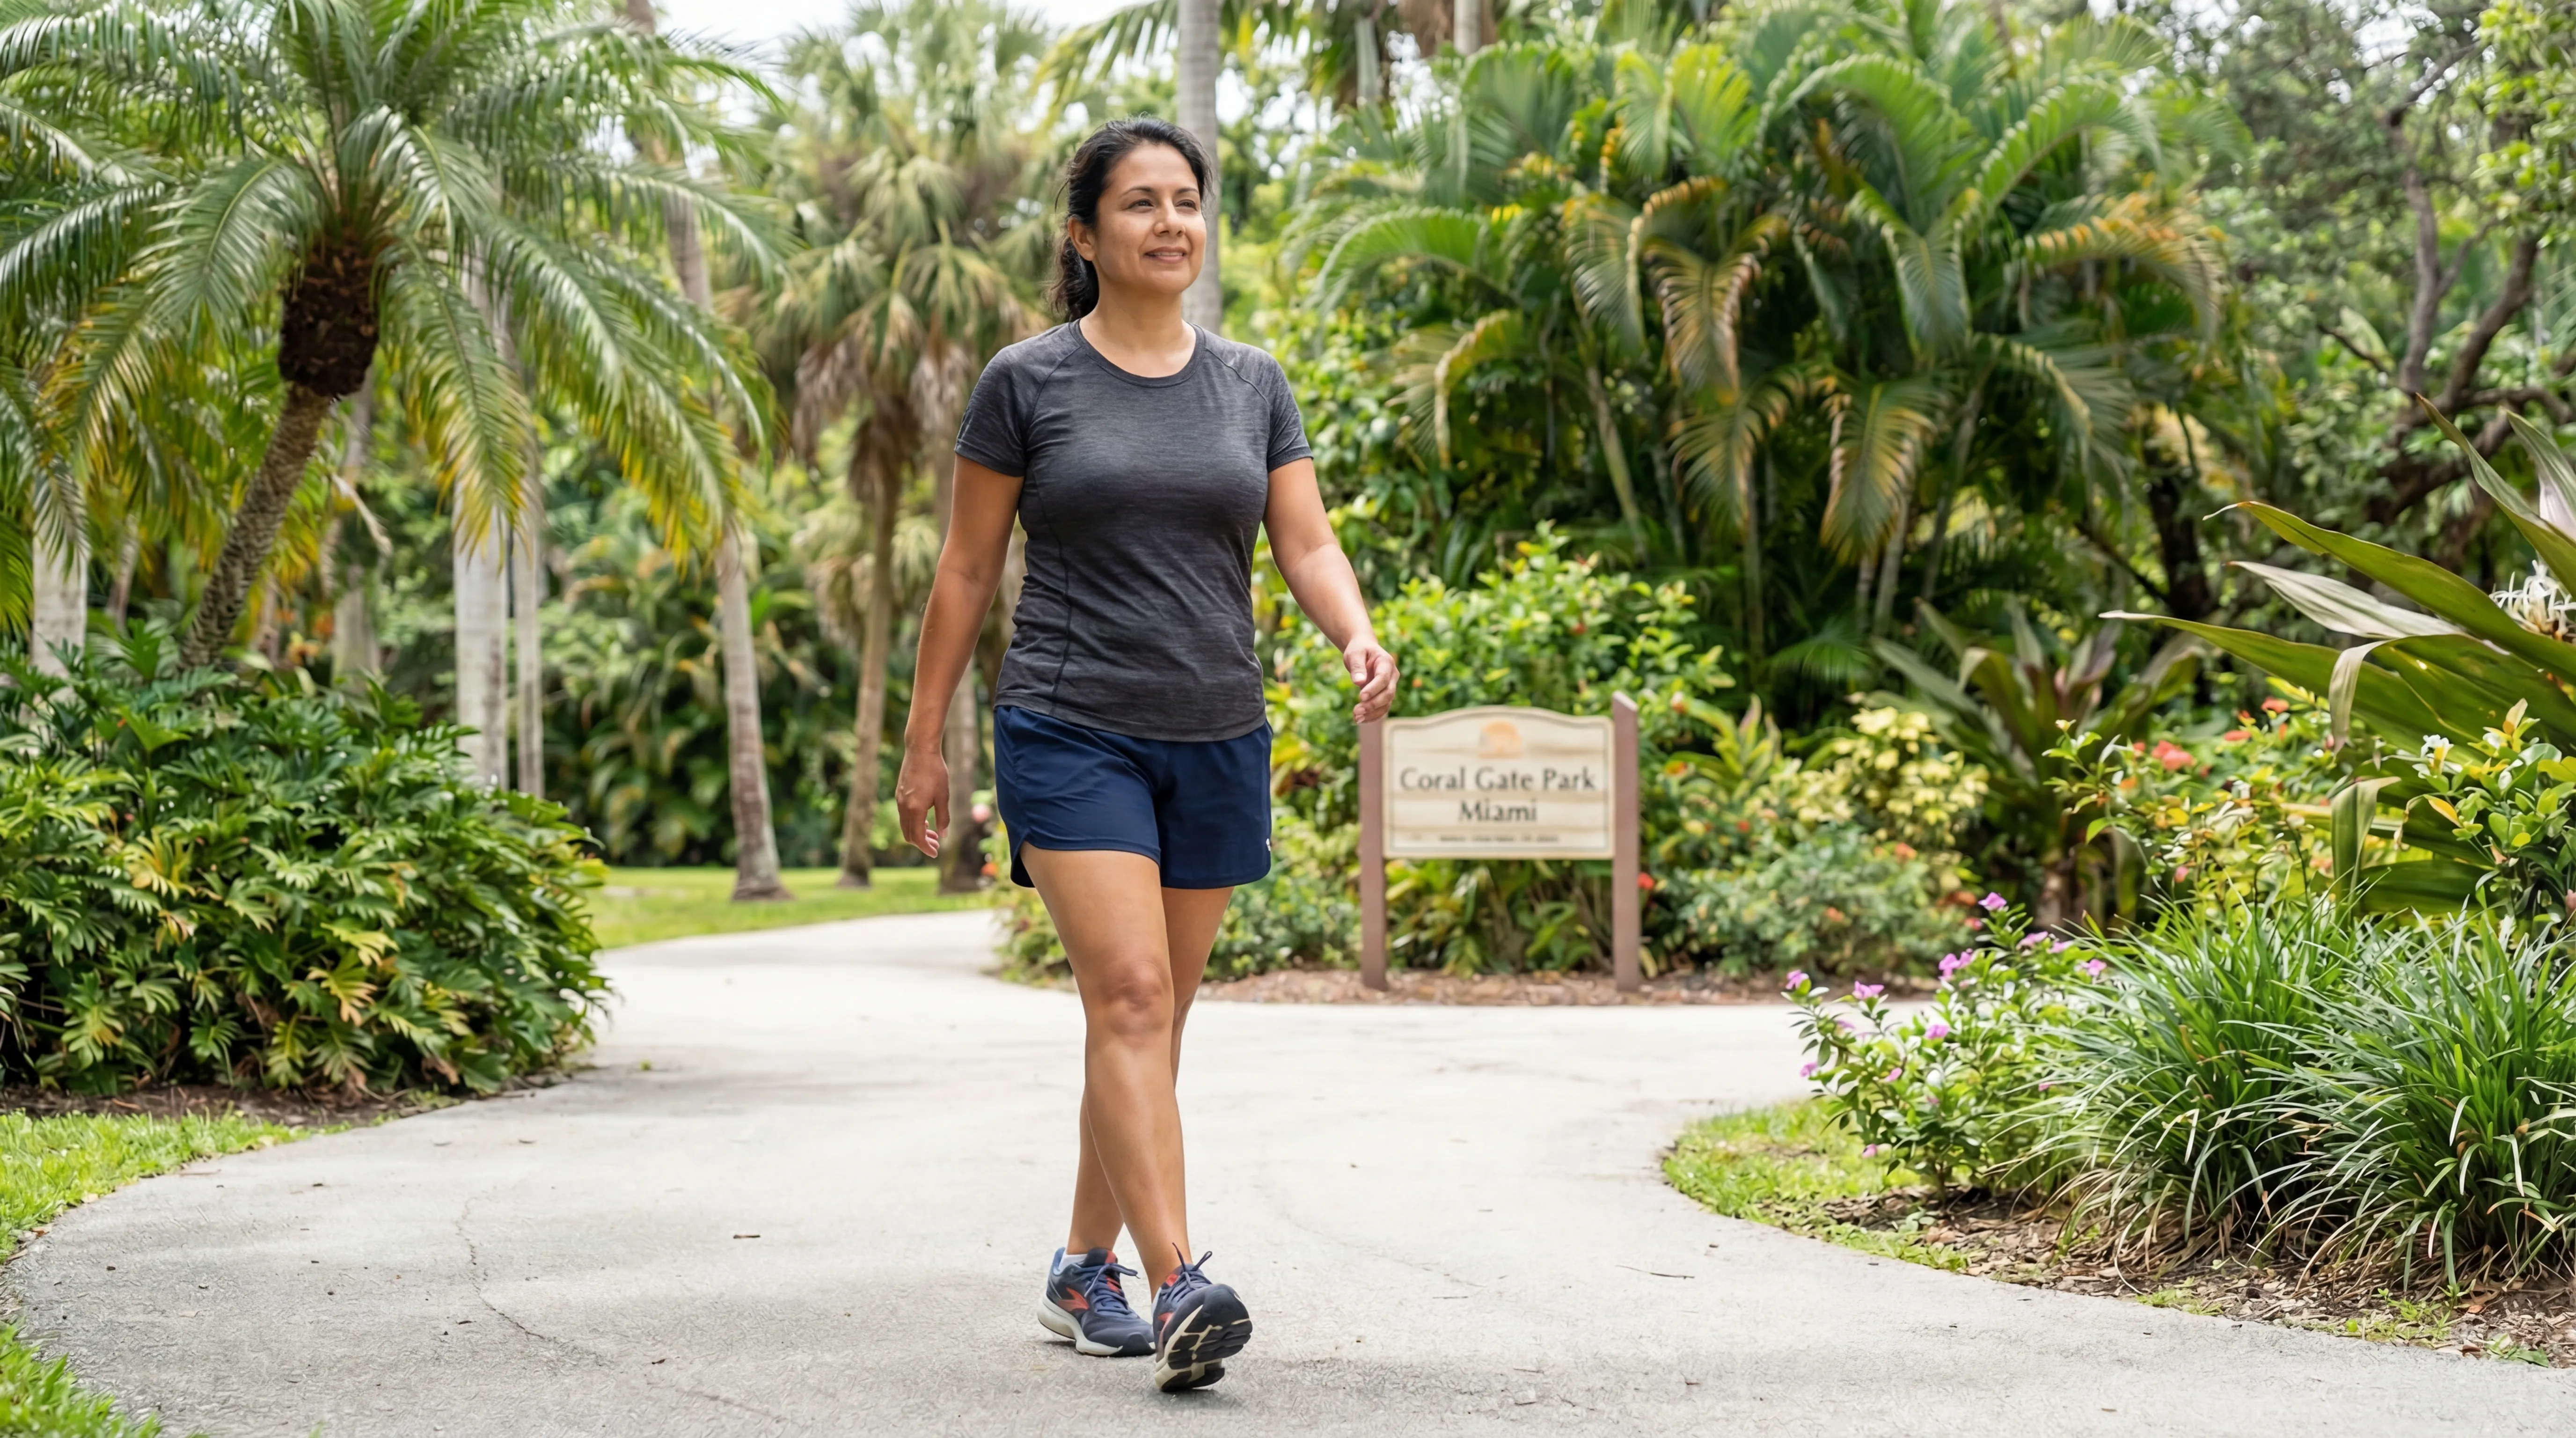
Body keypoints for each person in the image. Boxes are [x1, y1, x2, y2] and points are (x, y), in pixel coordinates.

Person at [894, 117, 1397, 1394]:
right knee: (1126, 1000)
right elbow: (965, 570)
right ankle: (1180, 1284)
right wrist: (923, 744)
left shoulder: (1251, 381)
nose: (1170, 222)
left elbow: (1307, 540)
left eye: (1186, 200)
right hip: (1071, 723)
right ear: (1085, 235)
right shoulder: (1029, 381)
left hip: (1216, 727)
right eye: (1139, 204)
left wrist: (1355, 631)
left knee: (1153, 1024)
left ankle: (1080, 1268)